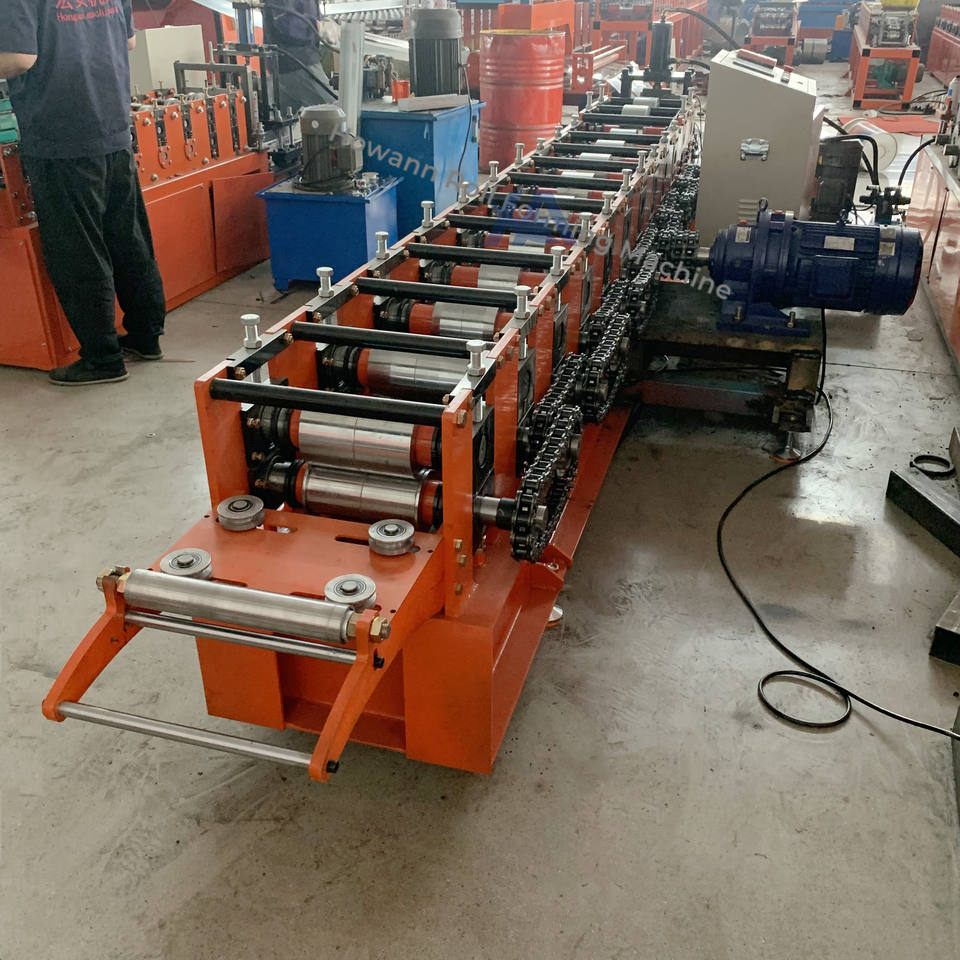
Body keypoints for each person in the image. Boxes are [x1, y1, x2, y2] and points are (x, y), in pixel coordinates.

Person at [0, 0, 166, 385]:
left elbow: (19, 59)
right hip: (112, 125)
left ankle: (102, 359)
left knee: (78, 252)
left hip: (61, 134)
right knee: (128, 239)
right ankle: (146, 335)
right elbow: (128, 41)